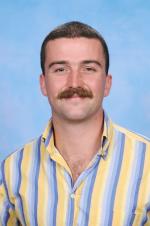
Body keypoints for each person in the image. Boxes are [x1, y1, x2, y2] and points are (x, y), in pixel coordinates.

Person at [0, 21, 150, 226]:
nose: (74, 83)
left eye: (88, 68)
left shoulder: (147, 164)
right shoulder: (11, 170)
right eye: (60, 69)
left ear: (107, 83)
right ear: (43, 84)